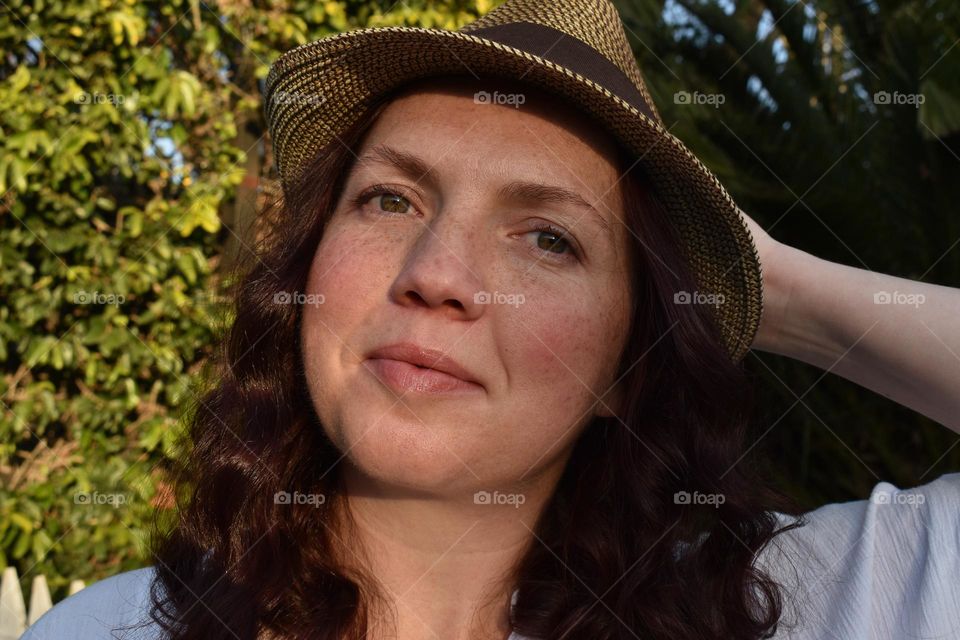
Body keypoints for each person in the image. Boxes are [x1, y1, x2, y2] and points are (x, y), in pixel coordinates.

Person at [23, 0, 960, 639]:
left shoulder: (791, 609)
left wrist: (767, 290)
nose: (437, 276)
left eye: (549, 239)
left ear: (628, 368)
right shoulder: (102, 629)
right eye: (389, 201)